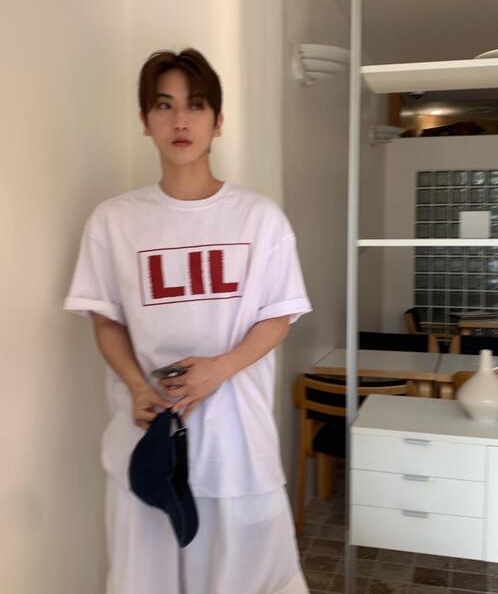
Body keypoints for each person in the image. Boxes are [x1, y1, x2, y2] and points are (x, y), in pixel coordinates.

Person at [64, 48, 312, 594]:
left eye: (196, 106)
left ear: (217, 121)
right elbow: (105, 320)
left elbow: (278, 318)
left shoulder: (260, 218)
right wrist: (137, 385)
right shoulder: (113, 221)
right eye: (165, 105)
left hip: (237, 448)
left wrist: (221, 368)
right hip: (147, 449)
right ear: (145, 120)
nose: (181, 120)